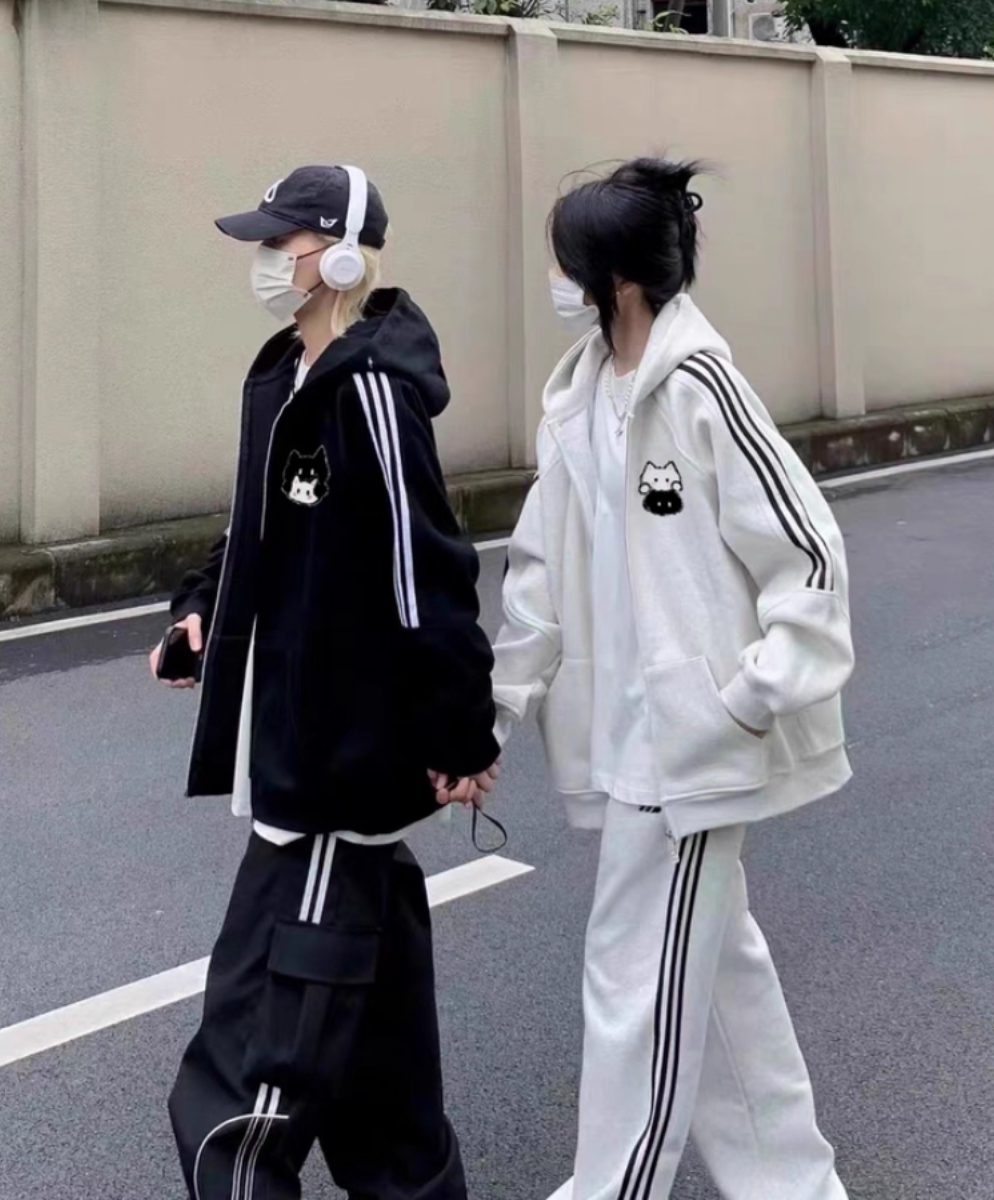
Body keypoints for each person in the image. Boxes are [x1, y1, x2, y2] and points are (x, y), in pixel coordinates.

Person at [491, 158, 855, 1200]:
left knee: (635, 979)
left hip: (690, 750)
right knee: (721, 980)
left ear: (615, 280)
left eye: (565, 264)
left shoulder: (701, 388)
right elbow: (540, 570)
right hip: (629, 739)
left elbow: (809, 552)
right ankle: (795, 1189)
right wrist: (496, 707)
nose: (554, 282)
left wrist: (744, 698)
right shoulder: (577, 400)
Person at [151, 164, 499, 1200]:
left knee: (245, 1094)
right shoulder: (286, 374)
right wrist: (202, 608)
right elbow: (254, 527)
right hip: (303, 755)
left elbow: (426, 573)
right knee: (383, 1087)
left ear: (341, 256)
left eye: (281, 242)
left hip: (329, 781)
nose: (266, 260)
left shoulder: (374, 390)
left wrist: (459, 734)